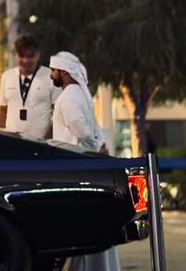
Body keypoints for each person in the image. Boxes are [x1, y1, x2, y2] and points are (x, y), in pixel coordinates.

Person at [49, 51, 119, 271]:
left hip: (74, 167)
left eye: (53, 71)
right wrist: (100, 147)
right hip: (85, 165)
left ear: (63, 72)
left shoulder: (68, 97)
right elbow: (95, 130)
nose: (51, 75)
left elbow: (81, 129)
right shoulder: (79, 94)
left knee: (78, 226)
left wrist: (96, 147)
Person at [0, 34, 60, 141]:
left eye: (30, 56)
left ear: (38, 55)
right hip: (11, 143)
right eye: (21, 56)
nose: (25, 60)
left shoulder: (50, 76)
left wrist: (48, 140)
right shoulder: (7, 76)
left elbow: (60, 113)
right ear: (16, 55)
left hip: (41, 145)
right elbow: (2, 111)